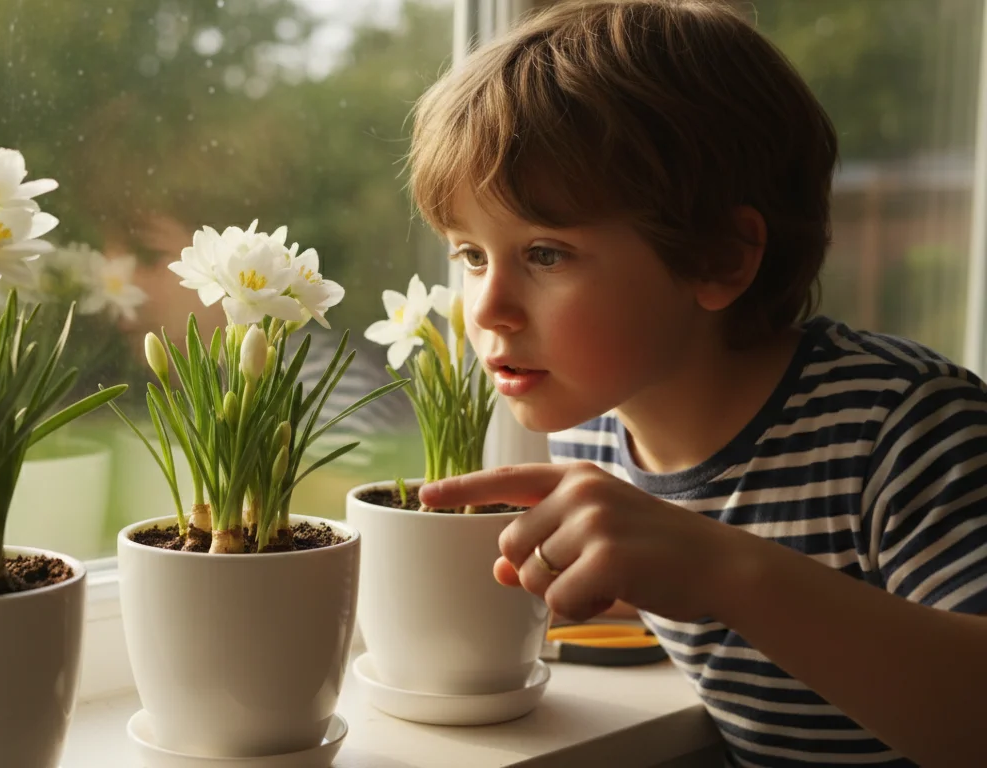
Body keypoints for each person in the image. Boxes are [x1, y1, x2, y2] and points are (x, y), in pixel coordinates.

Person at [405, 1, 987, 766]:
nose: (486, 309)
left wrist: (714, 567)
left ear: (719, 257)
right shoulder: (593, 436)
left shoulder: (907, 429)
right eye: (471, 254)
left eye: (546, 254)